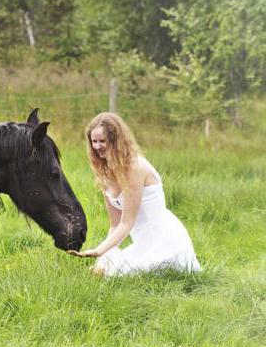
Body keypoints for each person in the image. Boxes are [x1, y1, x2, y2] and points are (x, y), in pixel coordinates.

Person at [70, 112, 201, 276]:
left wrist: (98, 250)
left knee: (118, 276)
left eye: (102, 141)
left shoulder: (135, 168)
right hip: (143, 243)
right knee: (99, 272)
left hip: (165, 241)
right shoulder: (105, 173)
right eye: (94, 141)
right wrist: (103, 256)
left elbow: (127, 223)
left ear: (116, 140)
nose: (97, 146)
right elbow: (115, 225)